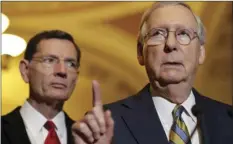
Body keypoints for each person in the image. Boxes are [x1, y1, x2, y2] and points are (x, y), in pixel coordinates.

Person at [71, 2, 233, 144]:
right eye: (158, 34)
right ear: (140, 52)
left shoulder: (228, 119)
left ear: (201, 52)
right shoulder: (107, 125)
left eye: (183, 34)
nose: (170, 44)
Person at [2, 30, 81, 144]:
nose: (62, 71)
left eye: (70, 64)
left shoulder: (87, 137)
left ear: (76, 77)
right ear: (25, 70)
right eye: (50, 60)